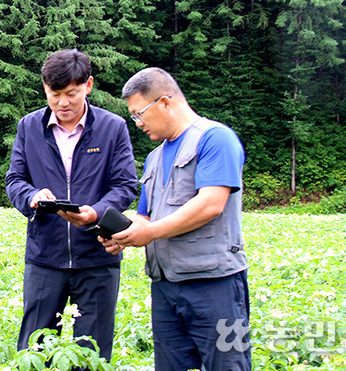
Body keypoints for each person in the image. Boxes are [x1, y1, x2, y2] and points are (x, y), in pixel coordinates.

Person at [101, 67, 251, 370]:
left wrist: (151, 232)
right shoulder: (155, 157)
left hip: (217, 285)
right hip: (167, 287)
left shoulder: (216, 139)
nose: (138, 123)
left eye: (139, 114)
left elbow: (211, 204)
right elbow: (145, 218)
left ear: (165, 103)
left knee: (230, 364)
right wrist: (125, 234)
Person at [5, 49, 137, 361]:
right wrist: (32, 197)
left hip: (97, 259)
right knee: (35, 352)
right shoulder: (29, 127)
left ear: (88, 85)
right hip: (44, 258)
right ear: (44, 87)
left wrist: (98, 212)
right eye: (55, 94)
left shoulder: (112, 127)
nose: (63, 103)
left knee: (90, 354)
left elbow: (125, 184)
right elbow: (15, 180)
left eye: (72, 94)